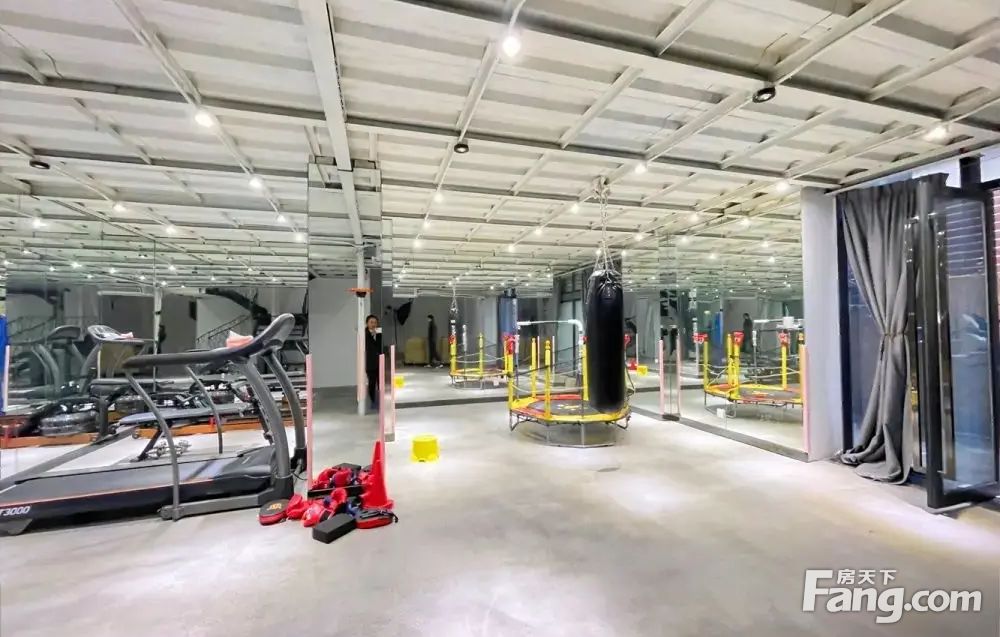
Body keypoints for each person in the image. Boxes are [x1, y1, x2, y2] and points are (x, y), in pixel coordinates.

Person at [364, 314, 382, 410]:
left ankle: (380, 401)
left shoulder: (379, 333)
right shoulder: (364, 334)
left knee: (381, 382)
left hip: (380, 362)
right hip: (370, 363)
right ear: (367, 323)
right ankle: (372, 401)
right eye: (371, 322)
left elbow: (380, 346)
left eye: (375, 322)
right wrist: (372, 334)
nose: (373, 324)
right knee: (372, 383)